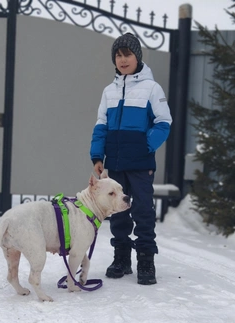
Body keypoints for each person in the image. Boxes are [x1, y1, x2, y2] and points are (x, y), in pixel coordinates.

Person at [89, 33, 173, 285]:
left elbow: (164, 122)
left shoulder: (151, 88)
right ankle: (121, 258)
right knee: (118, 213)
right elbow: (101, 124)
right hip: (114, 164)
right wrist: (97, 155)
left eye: (128, 54)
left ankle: (146, 260)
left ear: (137, 57)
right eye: (118, 55)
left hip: (140, 164)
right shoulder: (109, 91)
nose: (123, 59)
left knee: (143, 211)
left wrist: (145, 145)